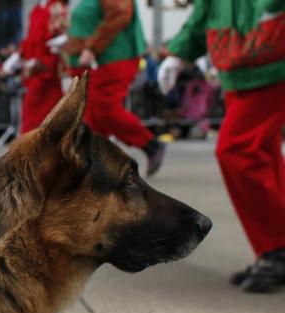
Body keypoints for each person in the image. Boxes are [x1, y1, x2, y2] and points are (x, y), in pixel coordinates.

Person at [161, 0, 285, 293]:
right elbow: (207, 10)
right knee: (261, 154)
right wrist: (179, 54)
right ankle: (273, 248)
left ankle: (278, 247)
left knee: (236, 149)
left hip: (273, 61)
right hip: (240, 67)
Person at [59, 0, 168, 175]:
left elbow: (119, 14)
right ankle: (96, 162)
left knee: (104, 109)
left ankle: (149, 144)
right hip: (100, 60)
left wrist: (92, 47)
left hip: (115, 58)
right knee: (93, 113)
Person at [19, 0, 68, 133]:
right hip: (38, 67)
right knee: (45, 108)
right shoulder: (35, 10)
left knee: (41, 107)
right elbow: (31, 39)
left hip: (49, 67)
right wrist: (22, 56)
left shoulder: (56, 7)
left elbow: (65, 33)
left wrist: (57, 44)